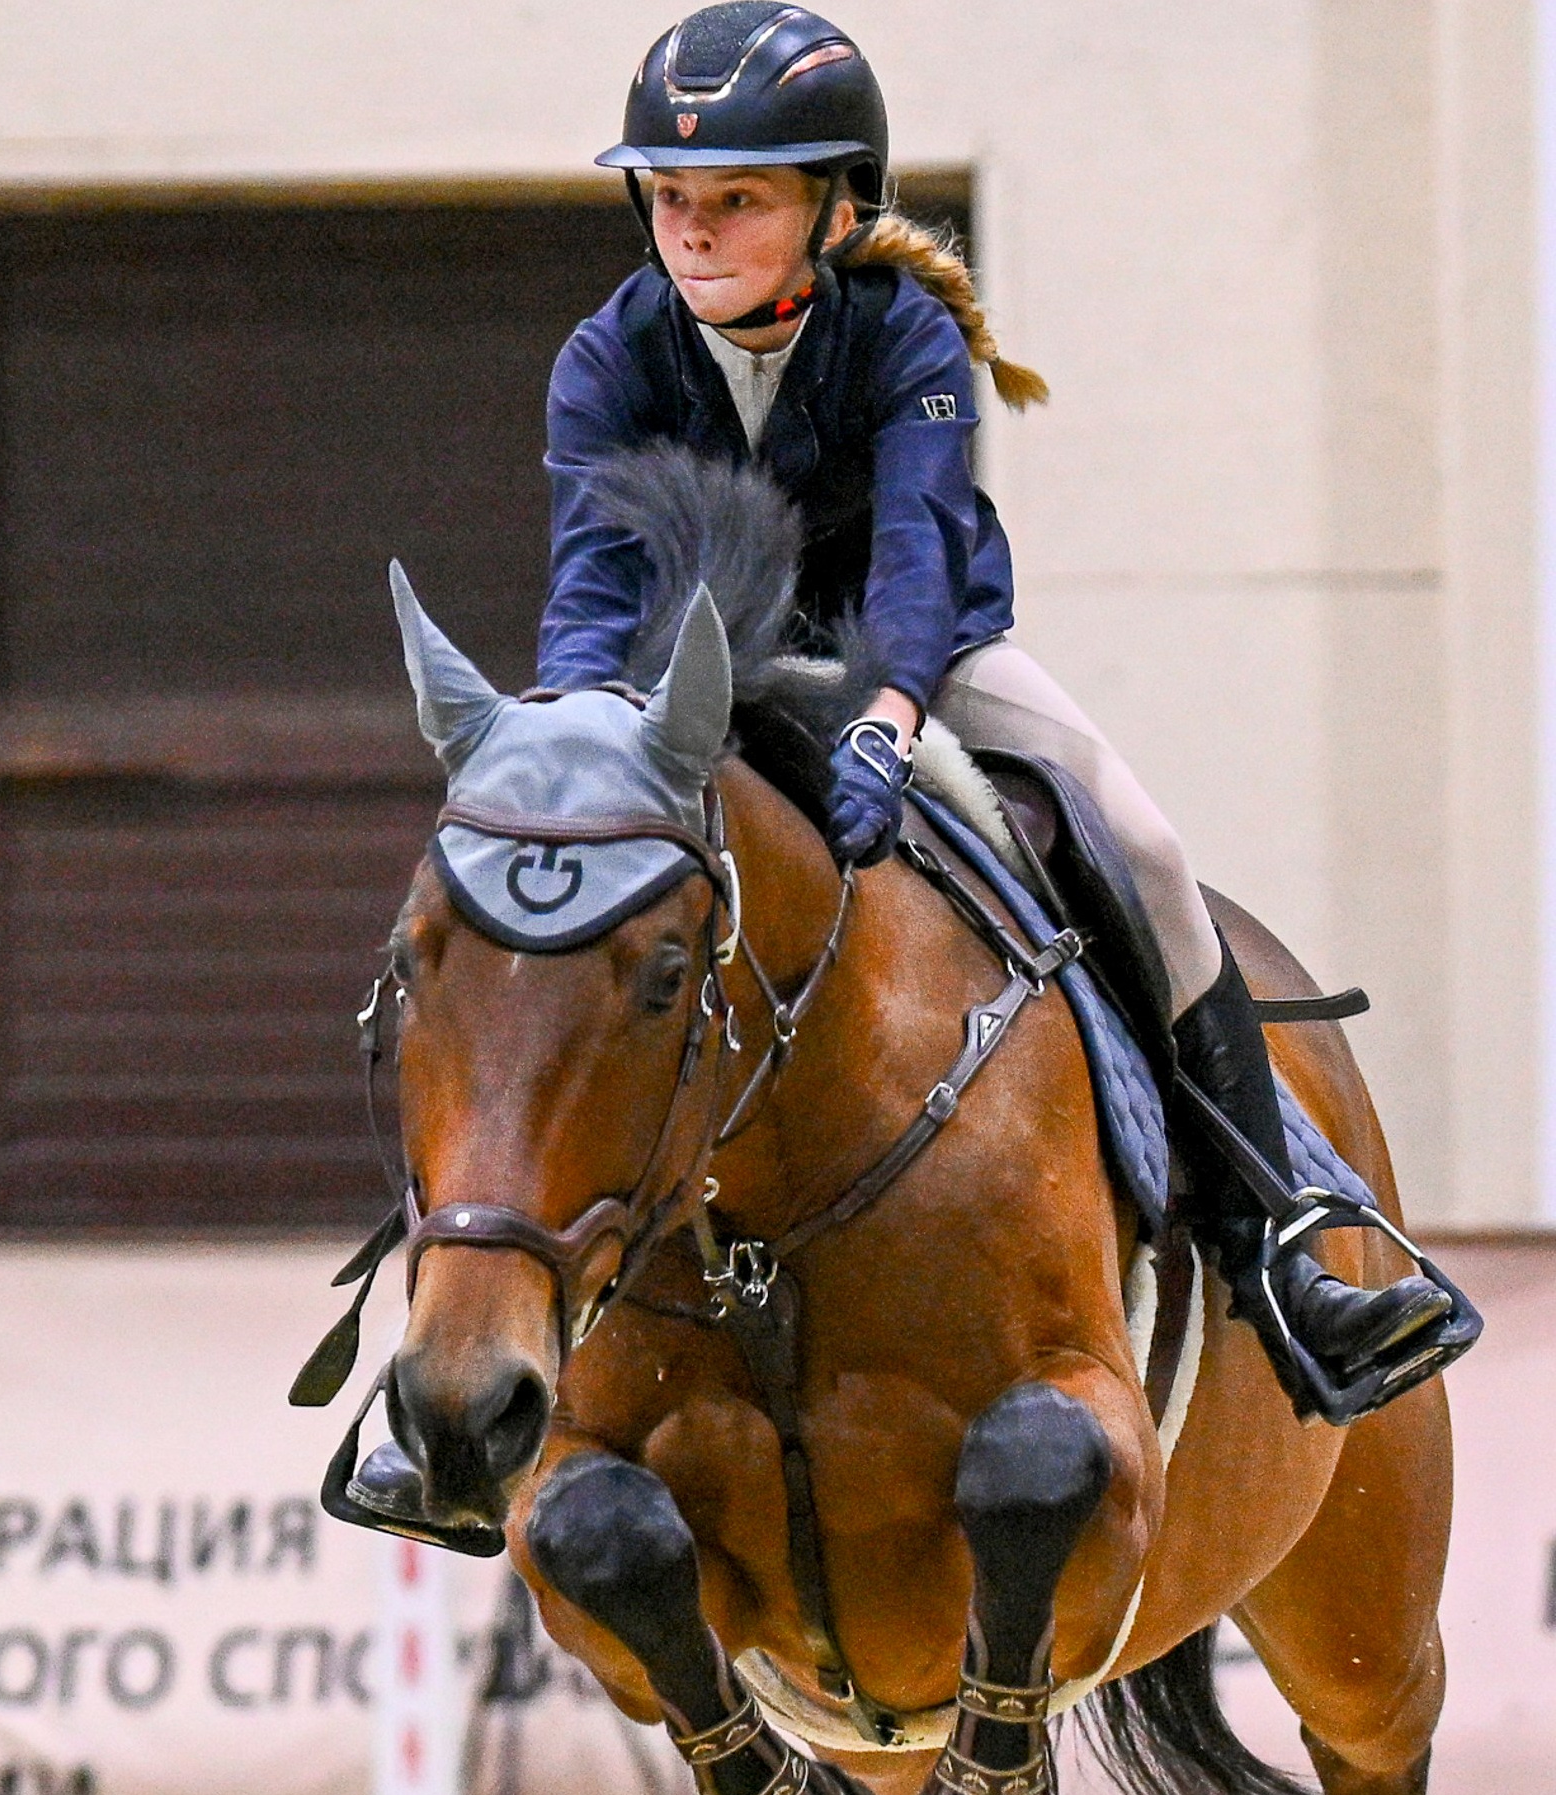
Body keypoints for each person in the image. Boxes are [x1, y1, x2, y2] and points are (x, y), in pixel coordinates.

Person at [536, 0, 1455, 1425]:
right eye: (668, 198)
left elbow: (918, 556)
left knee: (1140, 842)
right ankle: (454, 1319)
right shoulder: (607, 355)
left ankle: (1275, 1236)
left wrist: (894, 715)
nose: (694, 231)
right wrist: (575, 746)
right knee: (514, 918)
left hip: (915, 657)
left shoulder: (902, 333)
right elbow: (591, 591)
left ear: (838, 208)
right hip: (694, 681)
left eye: (736, 200)